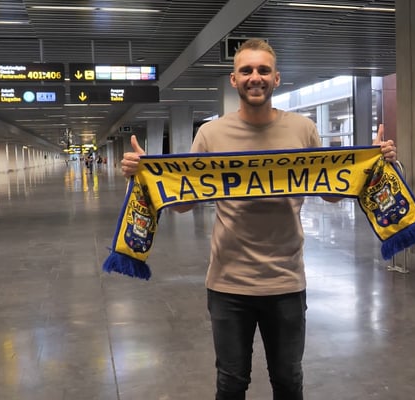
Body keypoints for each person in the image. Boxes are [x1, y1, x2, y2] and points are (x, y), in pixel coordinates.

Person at [121, 38, 396, 400]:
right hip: (228, 285)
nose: (255, 77)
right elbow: (183, 205)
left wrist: (371, 164)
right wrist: (146, 175)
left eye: (264, 70)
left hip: (286, 282)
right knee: (231, 383)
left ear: (276, 78)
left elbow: (330, 191)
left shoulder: (302, 129)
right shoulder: (211, 134)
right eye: (246, 70)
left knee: (288, 381)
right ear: (234, 79)